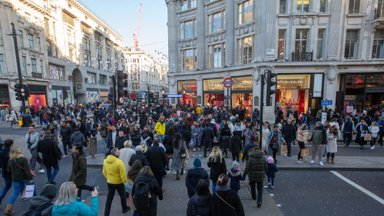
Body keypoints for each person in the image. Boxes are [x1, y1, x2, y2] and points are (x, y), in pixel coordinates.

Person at [5, 147, 34, 215]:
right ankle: (38, 206)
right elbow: (27, 170)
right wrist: (30, 179)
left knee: (15, 193)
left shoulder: (10, 160)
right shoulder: (23, 159)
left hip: (15, 178)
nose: (22, 151)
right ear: (19, 152)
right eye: (21, 150)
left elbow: (8, 170)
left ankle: (8, 210)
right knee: (33, 192)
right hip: (25, 178)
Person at [103, 148, 129, 216]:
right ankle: (124, 208)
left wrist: (109, 178)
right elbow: (123, 175)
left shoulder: (105, 160)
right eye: (118, 152)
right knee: (122, 196)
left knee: (109, 199)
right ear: (116, 154)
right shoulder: (119, 162)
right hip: (119, 183)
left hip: (110, 182)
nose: (120, 153)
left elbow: (104, 172)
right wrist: (125, 183)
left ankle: (106, 214)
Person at [0, 139, 13, 207]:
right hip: (9, 173)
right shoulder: (10, 153)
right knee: (7, 186)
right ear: (11, 145)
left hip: (4, 172)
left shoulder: (1, 152)